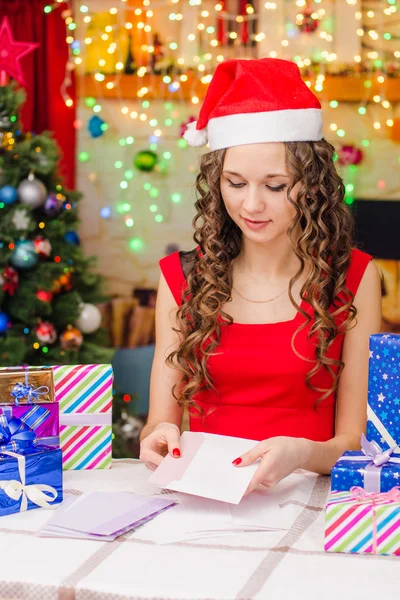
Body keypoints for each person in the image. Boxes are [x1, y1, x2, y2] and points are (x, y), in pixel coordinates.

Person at [139, 57, 382, 495]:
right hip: (201, 498)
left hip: (309, 497)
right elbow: (160, 422)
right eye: (235, 183)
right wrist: (157, 438)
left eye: (275, 186)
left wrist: (303, 453)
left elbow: (355, 443)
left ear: (312, 185)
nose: (251, 206)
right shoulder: (181, 277)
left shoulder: (355, 277)